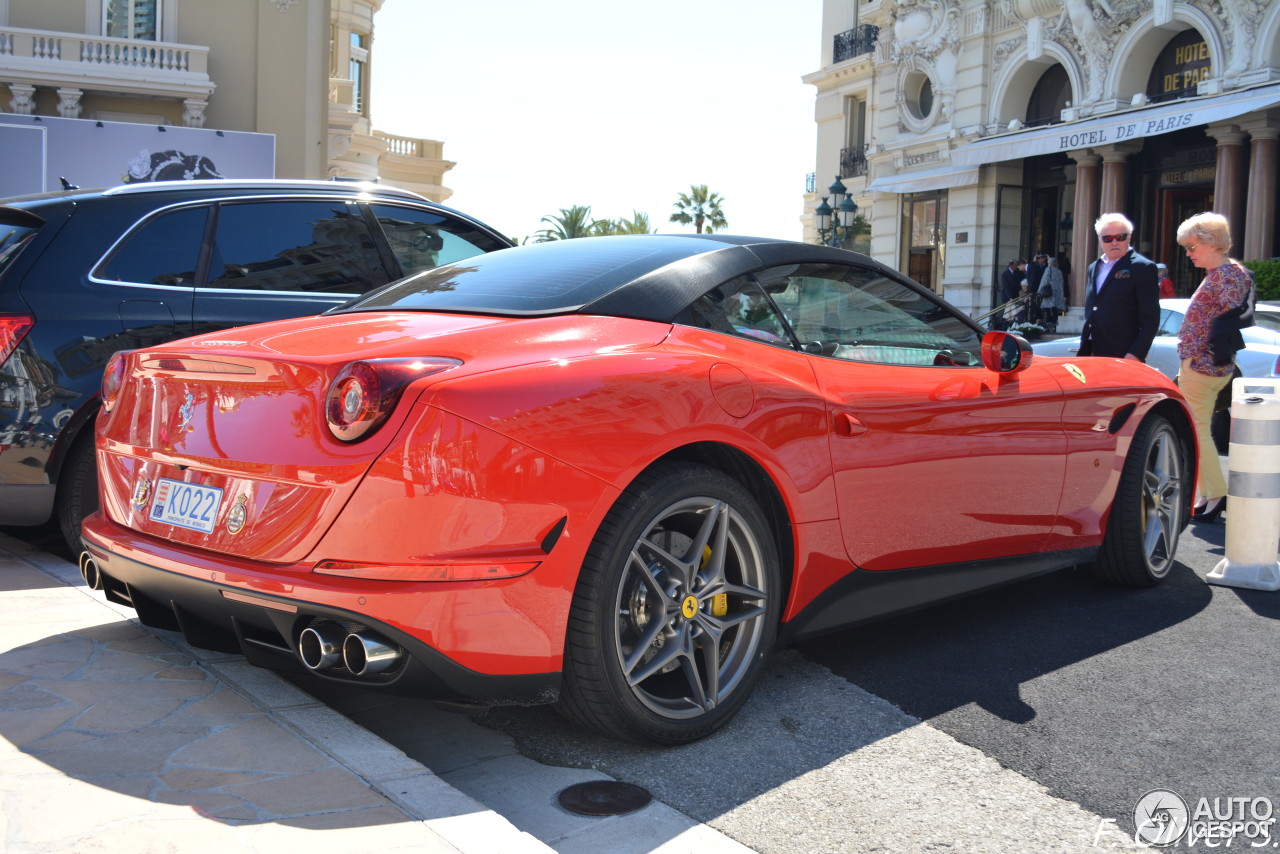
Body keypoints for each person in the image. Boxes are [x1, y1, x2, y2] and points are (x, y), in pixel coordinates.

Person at [1174, 212, 1255, 523]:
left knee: (1198, 432)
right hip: (1202, 363)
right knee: (1198, 430)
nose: (1189, 253)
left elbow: (1234, 315)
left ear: (1210, 243)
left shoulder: (1227, 275)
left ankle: (1216, 494)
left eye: (1191, 246)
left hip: (1203, 366)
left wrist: (1203, 350)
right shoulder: (1222, 274)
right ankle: (1209, 494)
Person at [1079, 213, 1159, 360]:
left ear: (1129, 238)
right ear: (1100, 241)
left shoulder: (1142, 267)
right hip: (1091, 352)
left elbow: (1151, 319)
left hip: (1122, 354)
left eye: (1120, 237)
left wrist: (1135, 354)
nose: (1114, 242)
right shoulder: (1093, 267)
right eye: (1108, 238)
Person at [1038, 256, 1066, 332]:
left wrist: (1039, 291)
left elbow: (1044, 281)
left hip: (1049, 293)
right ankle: (1054, 325)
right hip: (1057, 294)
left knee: (1047, 310)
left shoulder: (1048, 270)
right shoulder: (1059, 271)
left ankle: (1048, 326)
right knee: (1054, 310)